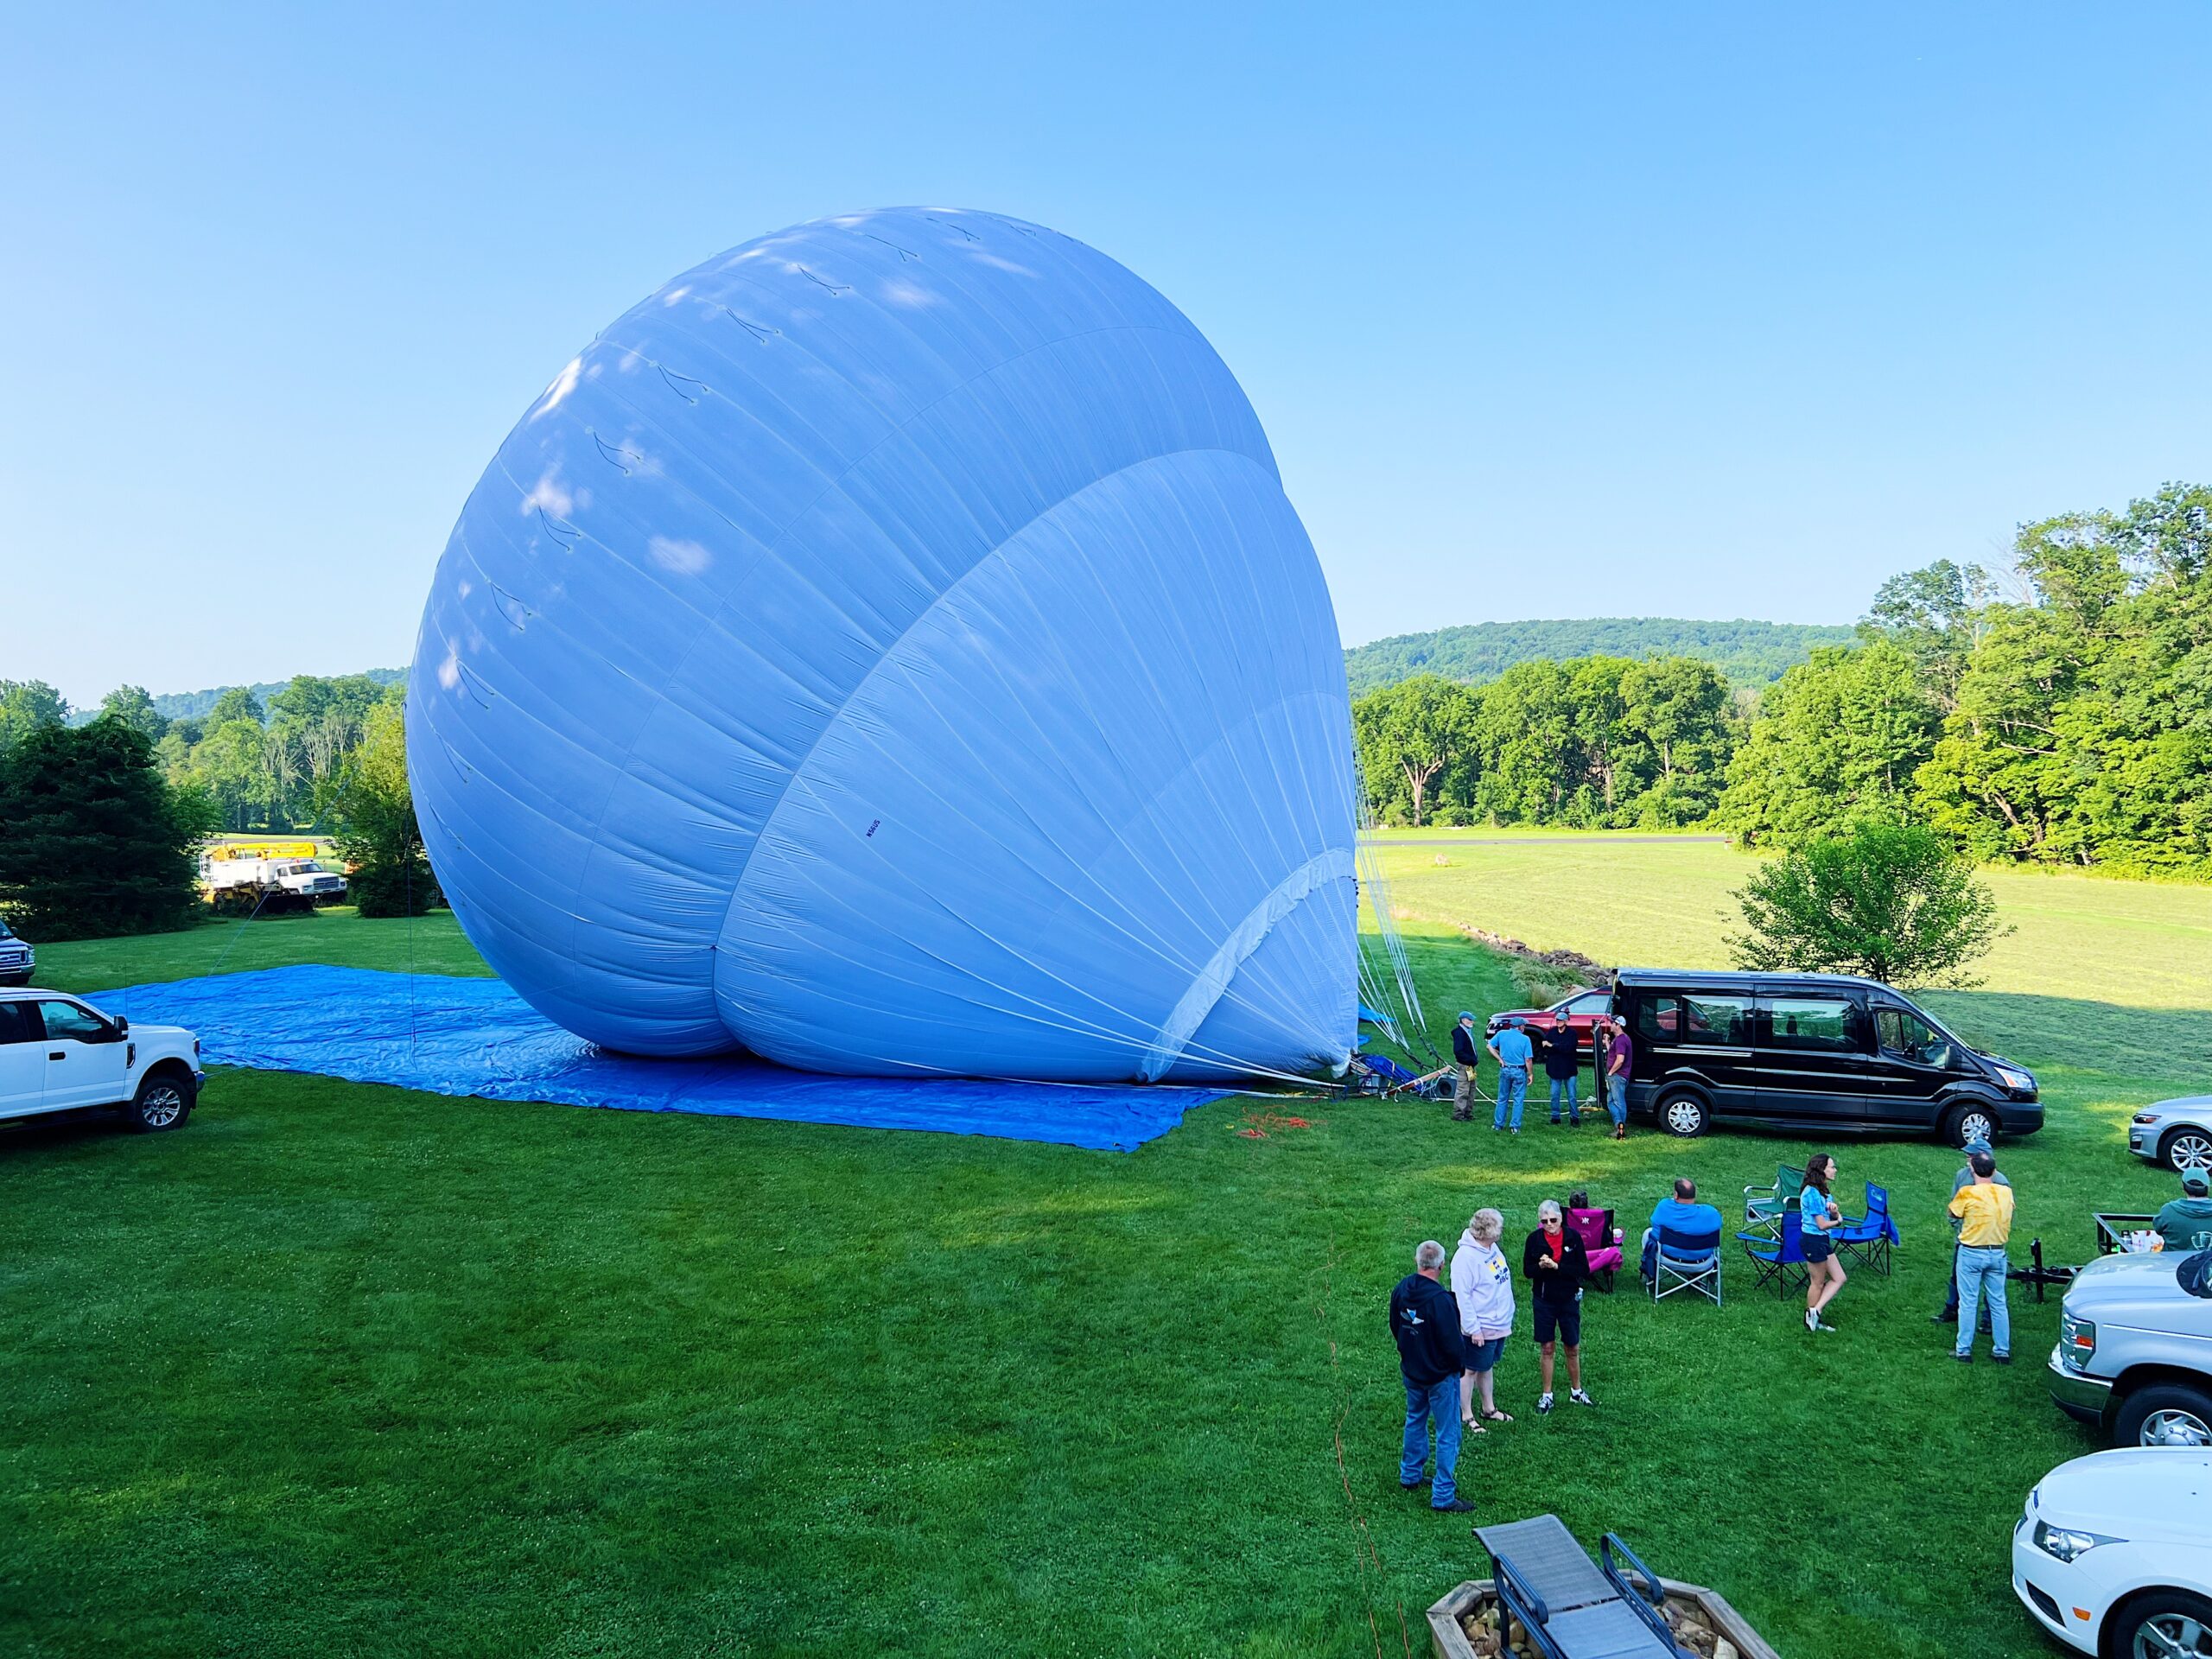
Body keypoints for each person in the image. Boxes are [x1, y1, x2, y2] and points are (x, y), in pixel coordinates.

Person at [1390, 1241, 1477, 1513]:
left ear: (1418, 1262)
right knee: (1448, 1432)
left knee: (1415, 1419)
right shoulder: (1441, 1301)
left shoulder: (1401, 1289)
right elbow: (1453, 1344)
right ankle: (1442, 1495)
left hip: (1413, 1370)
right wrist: (1457, 1368)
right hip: (1440, 1376)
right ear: (1441, 1265)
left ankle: (1410, 1474)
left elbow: (1396, 1325)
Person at [1521, 1200, 1594, 1412]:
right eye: (1544, 1221)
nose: (1549, 1225)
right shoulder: (1534, 1240)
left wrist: (1557, 1267)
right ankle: (1547, 1395)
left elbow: (1582, 1269)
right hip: (1544, 1300)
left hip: (1568, 1299)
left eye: (1553, 1220)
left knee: (1572, 1346)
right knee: (1547, 1347)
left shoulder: (1573, 1237)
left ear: (1561, 1219)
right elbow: (1527, 1271)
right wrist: (1541, 1267)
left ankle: (1576, 1391)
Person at [1930, 1137, 2010, 1328]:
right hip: (1964, 1238)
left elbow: (2002, 1213)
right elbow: (1953, 1205)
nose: (1967, 1158)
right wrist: (1958, 1227)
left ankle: (1988, 1319)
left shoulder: (2000, 1182)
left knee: (1991, 1287)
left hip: (1987, 1240)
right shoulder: (1962, 1175)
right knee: (1956, 1277)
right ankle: (1952, 1310)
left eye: (1970, 1155)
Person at [1451, 1208, 1516, 1431]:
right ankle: (1466, 1415)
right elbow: (1462, 1296)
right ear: (1487, 1231)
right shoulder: (1465, 1258)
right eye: (1498, 1228)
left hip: (1498, 1324)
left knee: (1485, 1367)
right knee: (1470, 1370)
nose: (1502, 1232)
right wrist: (1473, 1329)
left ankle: (1489, 1409)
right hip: (1480, 1327)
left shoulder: (1491, 1248)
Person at [1947, 1150, 2016, 1363]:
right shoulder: (2006, 1192)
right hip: (1997, 1252)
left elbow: (1952, 1214)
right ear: (1994, 1171)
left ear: (1972, 1169)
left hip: (1971, 1252)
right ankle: (2002, 1350)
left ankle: (1964, 1350)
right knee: (1998, 1302)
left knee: (1968, 1303)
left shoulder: (1967, 1192)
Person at [1639, 1177, 1723, 1285]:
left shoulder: (1664, 1207)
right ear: (1694, 1195)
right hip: (1703, 1262)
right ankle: (1696, 1279)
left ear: (1676, 1194)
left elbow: (1655, 1235)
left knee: (1648, 1233)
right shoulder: (1712, 1213)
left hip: (1669, 1260)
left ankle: (1651, 1276)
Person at [1800, 1153, 1847, 1333]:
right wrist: (1838, 1221)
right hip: (1813, 1240)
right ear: (1822, 1170)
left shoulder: (1824, 1191)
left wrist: (1834, 1212)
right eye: (1832, 1167)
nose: (1835, 1170)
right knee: (1817, 1282)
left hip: (1822, 1240)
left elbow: (1829, 1216)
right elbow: (1821, 1225)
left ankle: (1815, 1311)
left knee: (1839, 1277)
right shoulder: (1811, 1192)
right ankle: (1811, 1320)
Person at [1487, 1018, 1534, 1134]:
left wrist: (1500, 1059)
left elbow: (1489, 1046)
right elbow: (1528, 1059)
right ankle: (1515, 1127)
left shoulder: (1502, 1034)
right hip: (1519, 1071)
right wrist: (1530, 1074)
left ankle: (1498, 1125)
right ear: (1519, 1026)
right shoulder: (1525, 1039)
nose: (1525, 1028)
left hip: (1505, 1070)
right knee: (1518, 1099)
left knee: (1502, 1098)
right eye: (1524, 1026)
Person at [2153, 1166, 2212, 1255]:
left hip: (2173, 1266)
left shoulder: (2169, 1211)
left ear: (2183, 1187)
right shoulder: (2169, 1211)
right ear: (2208, 1187)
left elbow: (2158, 1228)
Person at [1599, 1016, 1633, 1141]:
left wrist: (1611, 1072)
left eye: (1612, 1023)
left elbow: (1620, 1060)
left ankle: (1621, 1130)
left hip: (1617, 1076)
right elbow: (1613, 1054)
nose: (1611, 1025)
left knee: (1618, 1102)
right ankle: (1619, 1123)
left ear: (1618, 1025)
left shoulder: (1621, 1040)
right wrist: (1608, 1042)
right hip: (1616, 1076)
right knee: (1610, 1102)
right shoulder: (1619, 1040)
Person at [1542, 1020, 1581, 1126]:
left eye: (1561, 1020)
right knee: (1554, 1095)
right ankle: (1555, 1117)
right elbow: (1545, 1047)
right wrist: (1554, 1047)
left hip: (1569, 1069)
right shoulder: (1552, 1032)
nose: (1558, 1022)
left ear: (1566, 1022)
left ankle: (1575, 1117)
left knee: (1572, 1095)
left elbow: (1569, 1048)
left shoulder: (1572, 1033)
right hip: (1554, 1069)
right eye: (1557, 1020)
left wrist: (1553, 1046)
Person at [1450, 1013, 1481, 1123]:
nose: (1472, 1022)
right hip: (1465, 1065)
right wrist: (1471, 1060)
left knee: (1472, 1088)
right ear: (1463, 1020)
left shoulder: (1467, 1032)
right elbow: (1458, 1051)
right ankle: (1458, 1114)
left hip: (1470, 1066)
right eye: (1470, 1019)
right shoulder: (1459, 1033)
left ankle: (1468, 1112)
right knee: (1463, 1089)